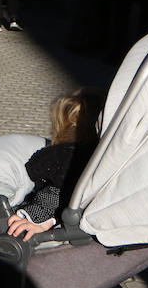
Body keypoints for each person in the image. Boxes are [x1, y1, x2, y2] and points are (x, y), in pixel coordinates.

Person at [6, 89, 104, 240]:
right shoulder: (103, 157)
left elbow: (53, 190)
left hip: (54, 215)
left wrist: (36, 218)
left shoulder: (57, 156)